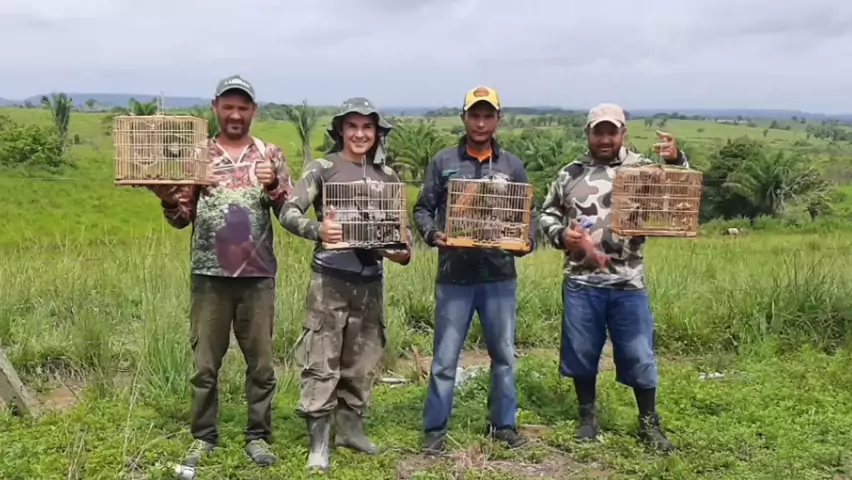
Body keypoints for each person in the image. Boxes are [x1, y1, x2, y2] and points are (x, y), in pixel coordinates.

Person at [146, 74, 293, 469]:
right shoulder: (198, 155)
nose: (235, 114)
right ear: (215, 107)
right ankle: (203, 437)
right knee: (205, 365)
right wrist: (167, 199)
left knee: (261, 364)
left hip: (257, 279)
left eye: (243, 107)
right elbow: (181, 219)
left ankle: (258, 435)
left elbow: (289, 211)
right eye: (228, 106)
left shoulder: (270, 154)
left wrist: (274, 186)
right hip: (209, 278)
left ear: (253, 111)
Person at [537, 103, 689, 452]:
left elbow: (680, 192)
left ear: (623, 133)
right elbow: (547, 213)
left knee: (638, 353)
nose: (605, 139)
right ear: (588, 134)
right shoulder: (570, 174)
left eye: (612, 132)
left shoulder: (642, 168)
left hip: (628, 280)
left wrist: (676, 159)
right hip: (581, 281)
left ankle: (649, 423)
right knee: (581, 351)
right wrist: (561, 234)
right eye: (598, 132)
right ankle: (587, 418)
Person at [279, 97, 412, 473]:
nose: (360, 134)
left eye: (367, 127)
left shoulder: (387, 177)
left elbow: (401, 238)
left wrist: (399, 252)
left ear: (377, 133)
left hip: (369, 283)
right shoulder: (323, 169)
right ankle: (319, 443)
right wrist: (318, 229)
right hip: (330, 281)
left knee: (362, 361)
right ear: (341, 130)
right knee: (322, 360)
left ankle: (350, 431)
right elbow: (288, 211)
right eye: (352, 126)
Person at [413, 86, 534, 455]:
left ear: (498, 119)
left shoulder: (512, 166)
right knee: (445, 359)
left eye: (488, 116)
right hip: (455, 277)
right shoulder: (444, 162)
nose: (481, 123)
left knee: (504, 356)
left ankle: (503, 425)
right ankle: (435, 430)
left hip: (499, 276)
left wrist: (527, 240)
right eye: (475, 115)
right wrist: (433, 234)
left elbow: (525, 216)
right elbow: (422, 209)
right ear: (463, 117)